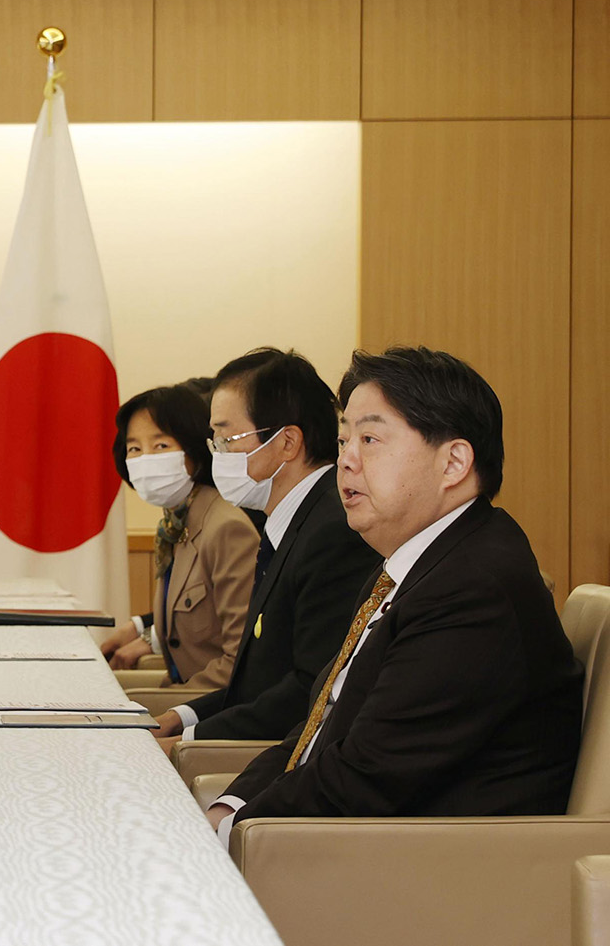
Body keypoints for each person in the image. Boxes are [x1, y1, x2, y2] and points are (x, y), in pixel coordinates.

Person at [209, 347, 581, 834]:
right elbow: (319, 723)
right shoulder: (412, 565)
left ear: (453, 463)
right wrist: (227, 806)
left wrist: (225, 833)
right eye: (344, 441)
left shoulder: (473, 588)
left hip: (421, 871)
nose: (346, 462)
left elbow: (365, 776)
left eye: (370, 438)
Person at [154, 348, 379, 748]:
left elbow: (310, 689)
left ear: (287, 442)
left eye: (226, 438)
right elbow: (259, 680)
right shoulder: (290, 520)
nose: (216, 454)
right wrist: (183, 715)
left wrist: (192, 737)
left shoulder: (334, 531)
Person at [99, 385, 259, 692]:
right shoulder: (174, 524)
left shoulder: (225, 527)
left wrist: (174, 706)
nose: (145, 459)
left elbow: (238, 662)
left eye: (160, 446)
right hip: (179, 692)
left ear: (194, 448)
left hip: (209, 710)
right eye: (134, 449)